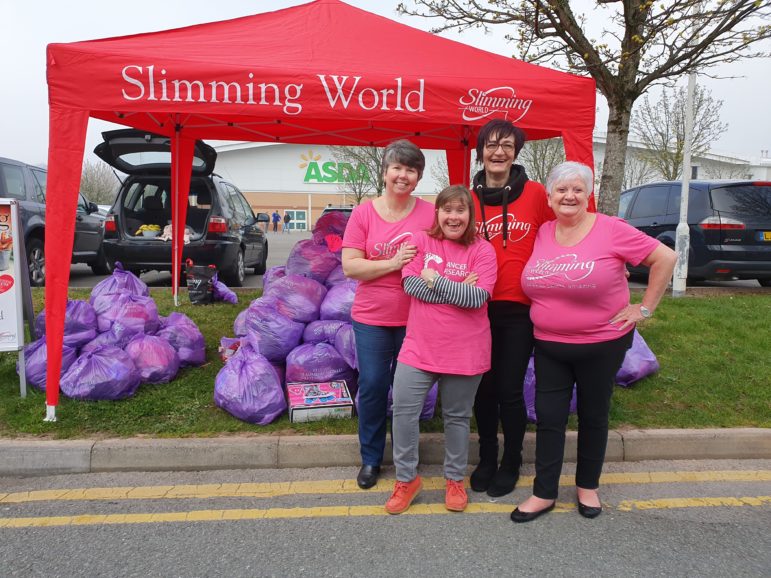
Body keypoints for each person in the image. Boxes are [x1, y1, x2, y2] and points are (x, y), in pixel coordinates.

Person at [511, 161, 676, 523]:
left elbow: (665, 257)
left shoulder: (611, 229)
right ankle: (544, 492)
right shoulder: (543, 232)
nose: (569, 196)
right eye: (561, 190)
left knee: (593, 415)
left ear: (589, 196)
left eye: (577, 189)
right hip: (549, 344)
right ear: (551, 197)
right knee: (550, 419)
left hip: (602, 343)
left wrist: (644, 309)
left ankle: (588, 486)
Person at [385, 185, 497, 514]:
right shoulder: (420, 241)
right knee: (403, 412)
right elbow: (411, 285)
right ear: (438, 213)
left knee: (457, 418)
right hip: (420, 347)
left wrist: (435, 280)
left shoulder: (483, 250)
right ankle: (406, 479)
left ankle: (454, 479)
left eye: (460, 210)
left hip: (466, 350)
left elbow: (477, 298)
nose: (453, 216)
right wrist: (457, 287)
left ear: (469, 215)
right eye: (447, 209)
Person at [342, 139, 435, 490]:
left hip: (418, 316)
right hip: (372, 318)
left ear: (418, 177)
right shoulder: (365, 213)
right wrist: (394, 263)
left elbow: (448, 250)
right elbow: (351, 267)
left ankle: (405, 457)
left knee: (409, 392)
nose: (403, 175)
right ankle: (370, 458)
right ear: (384, 172)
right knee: (374, 387)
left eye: (411, 170)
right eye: (397, 167)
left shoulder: (429, 213)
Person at [469, 118, 555, 497]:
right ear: (481, 151)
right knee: (482, 389)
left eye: (506, 145)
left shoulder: (536, 194)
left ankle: (512, 459)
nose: (498, 151)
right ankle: (488, 457)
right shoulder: (466, 198)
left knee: (509, 389)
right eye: (491, 144)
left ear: (516, 152)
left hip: (519, 309)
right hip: (474, 309)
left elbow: (560, 237)